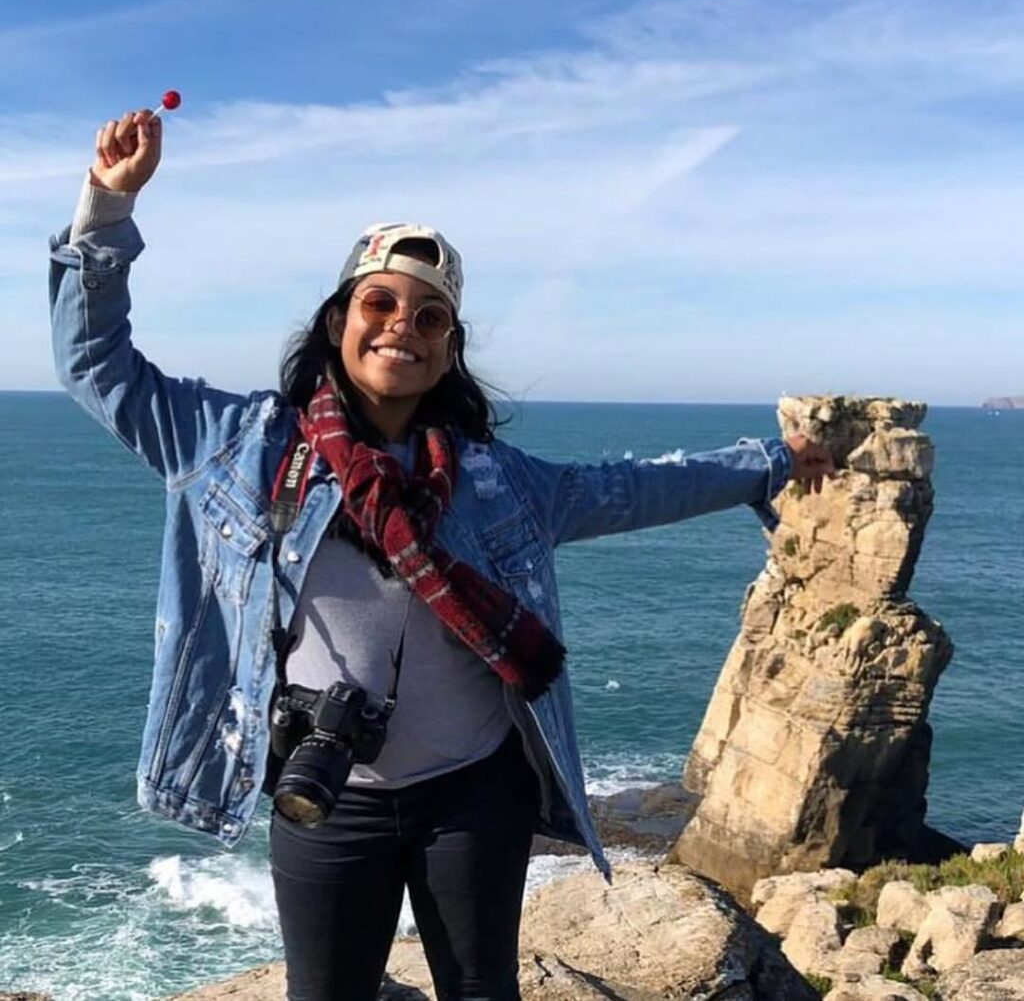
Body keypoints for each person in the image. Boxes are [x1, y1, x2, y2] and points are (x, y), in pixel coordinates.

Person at [49, 109, 835, 1001]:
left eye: (431, 317)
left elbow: (630, 488)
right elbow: (94, 366)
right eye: (379, 304)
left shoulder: (497, 481)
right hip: (328, 793)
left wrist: (769, 462)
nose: (403, 327)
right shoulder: (238, 445)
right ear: (338, 320)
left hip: (474, 794)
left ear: (449, 347)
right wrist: (107, 206)